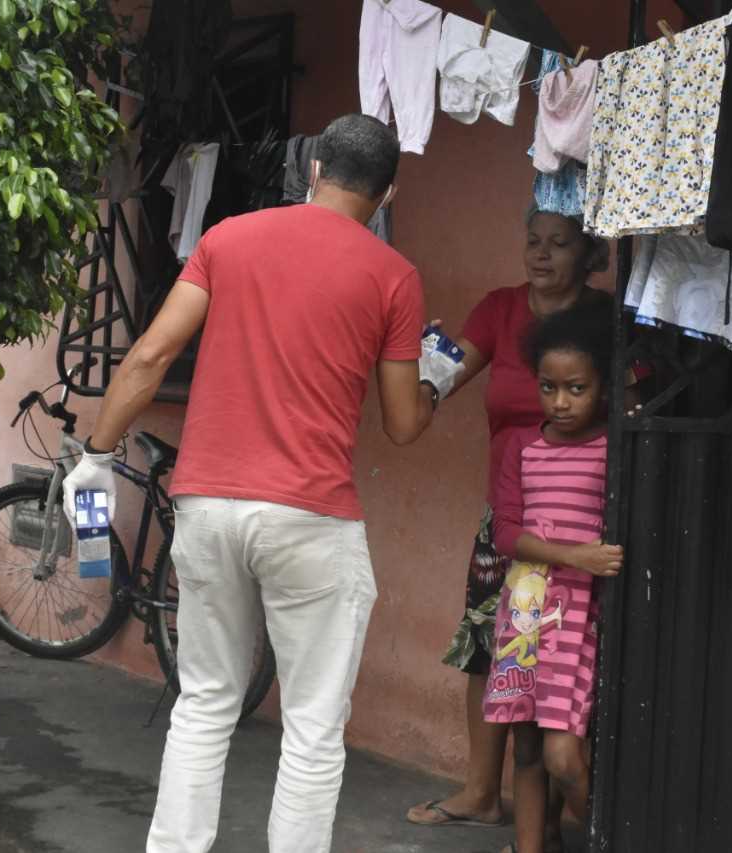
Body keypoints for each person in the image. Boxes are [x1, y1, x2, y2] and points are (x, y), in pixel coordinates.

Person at [62, 113, 456, 853]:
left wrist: (96, 450)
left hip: (207, 506)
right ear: (388, 192)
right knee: (312, 727)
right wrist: (438, 382)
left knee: (204, 703)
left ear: (313, 170)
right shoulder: (394, 278)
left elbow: (149, 356)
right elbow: (404, 423)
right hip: (312, 518)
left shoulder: (227, 239)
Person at [407, 208, 609, 847]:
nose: (542, 255)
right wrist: (418, 361)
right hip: (514, 516)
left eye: (559, 243)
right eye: (532, 241)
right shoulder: (500, 308)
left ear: (588, 252)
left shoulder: (605, 321)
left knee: (572, 661)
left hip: (584, 520)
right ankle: (480, 793)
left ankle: (558, 812)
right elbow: (441, 378)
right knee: (491, 652)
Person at [486, 304, 624, 853]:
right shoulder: (523, 446)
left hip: (579, 617)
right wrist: (575, 556)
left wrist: (580, 566)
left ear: (603, 387)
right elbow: (505, 534)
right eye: (548, 387)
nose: (560, 402)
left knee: (563, 755)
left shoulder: (614, 446)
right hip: (524, 610)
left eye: (576, 388)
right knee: (524, 747)